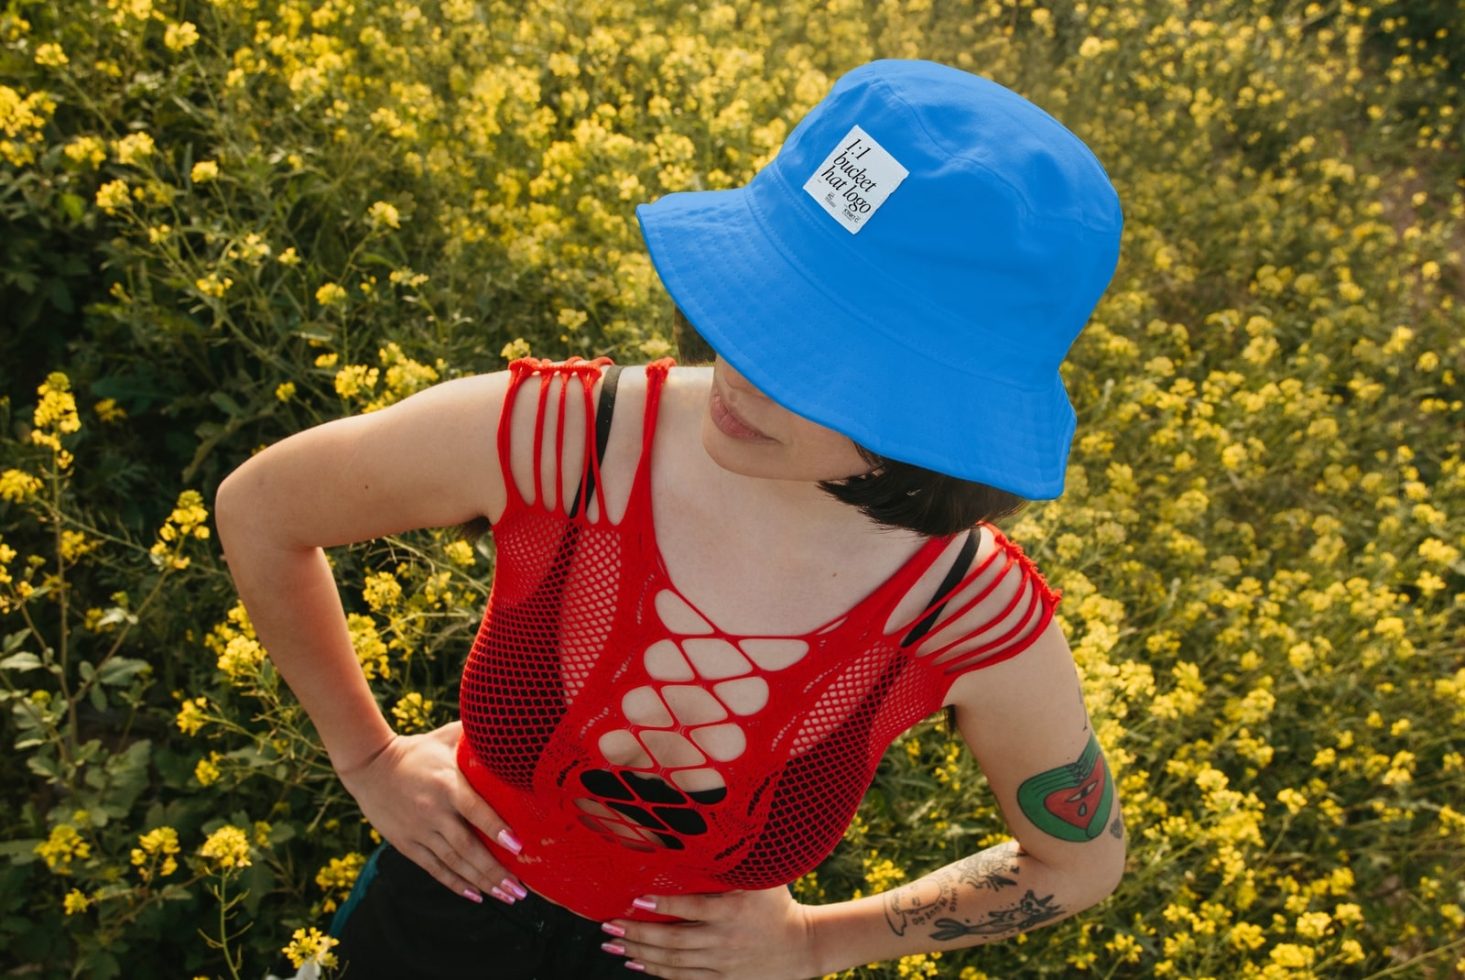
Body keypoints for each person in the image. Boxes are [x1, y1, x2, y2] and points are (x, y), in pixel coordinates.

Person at [217, 59, 1126, 979]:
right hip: (424, 926)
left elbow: (1078, 862)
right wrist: (367, 759)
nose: (743, 364)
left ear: (946, 412)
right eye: (761, 293)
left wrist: (819, 941)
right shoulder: (559, 440)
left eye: (821, 354)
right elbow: (263, 510)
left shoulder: (967, 614)